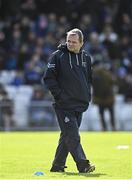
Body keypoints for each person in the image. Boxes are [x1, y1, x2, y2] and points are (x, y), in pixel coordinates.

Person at [43, 28, 95, 173]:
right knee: (73, 136)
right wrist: (60, 96)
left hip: (80, 104)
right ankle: (83, 165)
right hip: (64, 105)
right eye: (68, 41)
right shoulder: (57, 56)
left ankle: (57, 166)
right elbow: (48, 78)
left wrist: (87, 96)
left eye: (74, 42)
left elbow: (88, 79)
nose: (70, 44)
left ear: (81, 43)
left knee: (67, 136)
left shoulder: (87, 58)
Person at [92, 64, 116, 131]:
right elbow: (113, 82)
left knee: (102, 115)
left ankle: (104, 128)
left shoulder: (94, 75)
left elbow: (93, 87)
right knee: (111, 114)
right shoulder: (108, 74)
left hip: (100, 100)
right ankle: (113, 127)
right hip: (109, 99)